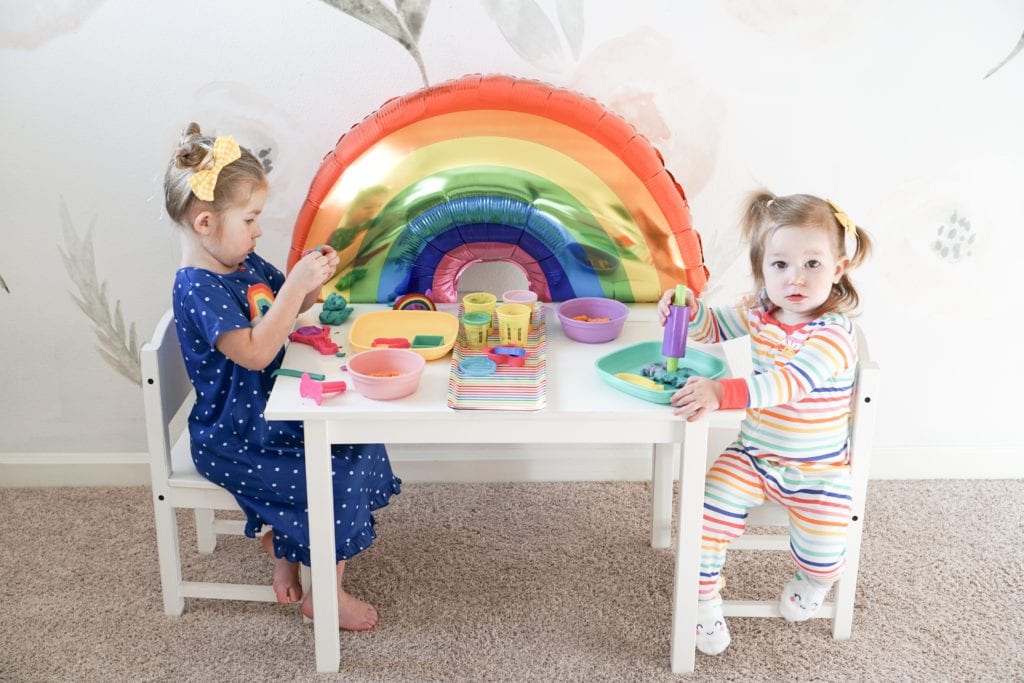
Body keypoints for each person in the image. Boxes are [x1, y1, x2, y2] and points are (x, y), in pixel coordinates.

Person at [163, 123, 401, 631]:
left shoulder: (244, 263)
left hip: (274, 411)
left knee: (360, 437)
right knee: (332, 476)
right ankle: (326, 595)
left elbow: (287, 305)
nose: (257, 230)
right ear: (205, 222)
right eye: (249, 219)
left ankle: (285, 544)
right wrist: (294, 291)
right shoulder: (198, 288)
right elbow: (253, 350)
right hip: (237, 435)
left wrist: (312, 279)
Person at [658, 190, 873, 655]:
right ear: (763, 270)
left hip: (819, 470)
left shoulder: (833, 333)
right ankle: (703, 600)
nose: (795, 277)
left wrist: (721, 393)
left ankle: (812, 584)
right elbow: (715, 328)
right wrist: (690, 314)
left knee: (825, 551)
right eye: (780, 265)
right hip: (754, 455)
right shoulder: (761, 312)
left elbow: (789, 383)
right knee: (704, 511)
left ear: (838, 269)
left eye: (812, 264)